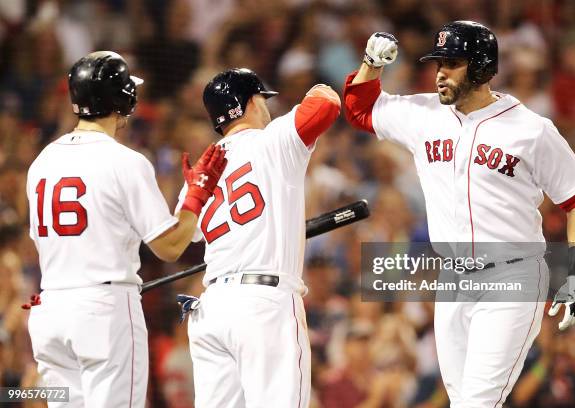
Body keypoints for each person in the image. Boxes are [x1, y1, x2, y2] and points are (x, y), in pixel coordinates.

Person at [343, 22, 575, 407]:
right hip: (453, 279)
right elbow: (359, 109)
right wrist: (371, 64)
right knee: (463, 401)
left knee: (477, 402)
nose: (440, 72)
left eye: (452, 63)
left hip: (514, 276)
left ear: (480, 67)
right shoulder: (423, 114)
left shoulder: (532, 130)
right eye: (438, 62)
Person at [25, 51, 227, 407]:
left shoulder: (42, 162)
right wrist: (197, 195)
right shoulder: (125, 161)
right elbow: (170, 247)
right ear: (123, 99)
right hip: (103, 312)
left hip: (50, 309)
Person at [176, 68, 340, 407]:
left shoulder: (203, 171)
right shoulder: (273, 140)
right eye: (263, 100)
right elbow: (326, 104)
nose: (266, 108)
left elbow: (181, 235)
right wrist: (321, 84)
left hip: (212, 308)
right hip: (264, 306)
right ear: (253, 101)